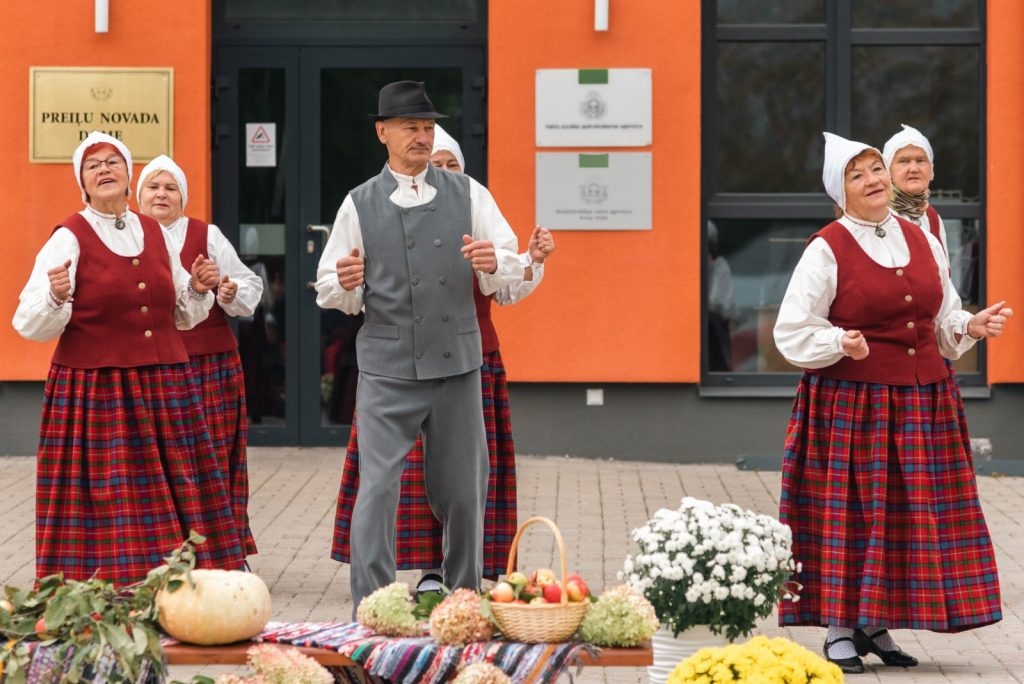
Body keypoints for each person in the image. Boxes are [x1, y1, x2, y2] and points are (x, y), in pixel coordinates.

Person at [773, 132, 1011, 674]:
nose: (874, 179)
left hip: (923, 401)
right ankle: (838, 627)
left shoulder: (921, 235)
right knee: (851, 513)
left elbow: (942, 315)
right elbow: (791, 329)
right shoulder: (826, 247)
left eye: (875, 169)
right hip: (852, 403)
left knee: (902, 516)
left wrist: (970, 325)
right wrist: (838, 342)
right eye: (858, 175)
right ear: (842, 192)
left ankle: (874, 623)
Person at [314, 81, 524, 609]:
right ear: (382, 132)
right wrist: (346, 280)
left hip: (457, 364)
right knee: (378, 487)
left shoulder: (470, 193)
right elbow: (330, 289)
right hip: (386, 366)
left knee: (463, 489)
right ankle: (377, 601)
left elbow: (511, 262)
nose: (421, 137)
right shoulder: (358, 203)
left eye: (428, 127)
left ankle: (463, 596)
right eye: (410, 127)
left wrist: (497, 263)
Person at [12, 132, 245, 585]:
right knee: (110, 493)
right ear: (82, 182)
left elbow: (181, 313)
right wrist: (57, 297)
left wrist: (197, 288)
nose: (104, 169)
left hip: (165, 382)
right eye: (93, 164)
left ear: (127, 174)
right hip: (98, 387)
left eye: (113, 162)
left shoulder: (154, 230)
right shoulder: (69, 237)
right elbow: (27, 321)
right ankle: (108, 584)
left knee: (174, 485)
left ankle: (182, 581)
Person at [136, 154, 264, 559]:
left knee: (213, 462)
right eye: (153, 187)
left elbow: (245, 285)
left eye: (170, 187)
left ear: (182, 197)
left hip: (207, 363)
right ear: (138, 195)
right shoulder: (127, 237)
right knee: (156, 466)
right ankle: (164, 553)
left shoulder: (204, 234)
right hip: (150, 365)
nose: (161, 194)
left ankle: (228, 552)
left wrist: (228, 294)